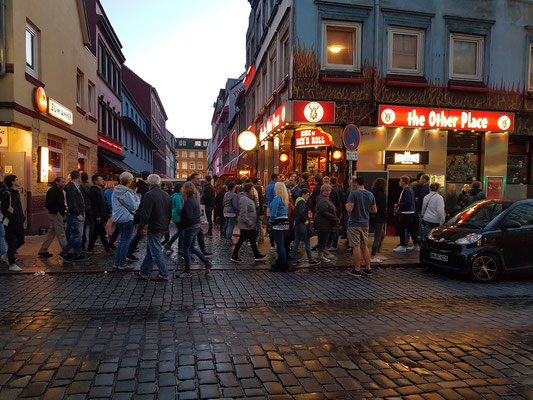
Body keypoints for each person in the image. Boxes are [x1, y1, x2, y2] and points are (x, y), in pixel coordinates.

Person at [136, 174, 171, 281]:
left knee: (155, 251)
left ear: (149, 183)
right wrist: (167, 225)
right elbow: (169, 212)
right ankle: (144, 272)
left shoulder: (149, 194)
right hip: (162, 225)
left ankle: (164, 274)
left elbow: (146, 213)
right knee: (151, 250)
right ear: (159, 183)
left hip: (154, 226)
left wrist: (141, 226)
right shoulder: (165, 194)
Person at [344, 177, 377, 277]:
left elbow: (350, 209)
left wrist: (346, 206)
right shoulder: (370, 194)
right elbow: (374, 210)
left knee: (356, 246)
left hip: (354, 223)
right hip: (365, 223)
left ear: (356, 183)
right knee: (364, 246)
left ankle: (357, 269)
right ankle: (368, 268)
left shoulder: (353, 194)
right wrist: (365, 210)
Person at [179, 182, 212, 278]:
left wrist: (183, 223)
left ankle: (187, 271)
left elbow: (189, 216)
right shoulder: (193, 199)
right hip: (196, 226)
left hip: (190, 227)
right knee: (192, 247)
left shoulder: (189, 201)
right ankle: (207, 263)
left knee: (186, 249)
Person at [111, 172, 140, 270]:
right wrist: (138, 199)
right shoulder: (127, 192)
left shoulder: (115, 190)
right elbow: (133, 206)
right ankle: (122, 263)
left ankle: (117, 262)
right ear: (130, 181)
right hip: (127, 218)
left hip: (118, 218)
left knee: (122, 240)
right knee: (125, 241)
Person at [231, 183, 266, 262]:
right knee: (243, 239)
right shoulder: (244, 199)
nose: (253, 191)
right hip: (246, 224)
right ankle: (234, 255)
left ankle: (257, 255)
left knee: (252, 239)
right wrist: (248, 221)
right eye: (252, 189)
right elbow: (243, 213)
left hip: (250, 223)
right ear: (248, 190)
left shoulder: (249, 198)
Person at [60, 170, 89, 262]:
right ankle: (65, 252)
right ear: (78, 177)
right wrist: (78, 214)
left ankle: (78, 253)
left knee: (77, 235)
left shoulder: (75, 186)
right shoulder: (72, 187)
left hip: (77, 213)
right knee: (77, 235)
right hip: (76, 214)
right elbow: (72, 202)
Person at [38, 177, 67, 258]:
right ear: (57, 182)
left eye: (64, 182)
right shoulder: (52, 191)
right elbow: (48, 204)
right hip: (55, 214)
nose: (64, 183)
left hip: (58, 213)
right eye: (62, 181)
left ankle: (43, 249)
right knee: (61, 233)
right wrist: (57, 212)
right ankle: (66, 250)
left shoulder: (60, 191)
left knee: (51, 233)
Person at [1, 175, 25, 271]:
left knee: (21, 241)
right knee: (12, 242)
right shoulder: (7, 194)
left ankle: (7, 255)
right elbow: (4, 209)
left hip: (19, 222)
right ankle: (12, 264)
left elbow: (18, 207)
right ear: (12, 182)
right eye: (17, 179)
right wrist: (13, 218)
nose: (19, 181)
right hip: (11, 223)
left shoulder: (16, 192)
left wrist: (22, 217)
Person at [291, 188, 320, 265]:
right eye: (307, 195)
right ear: (303, 194)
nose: (308, 196)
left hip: (296, 223)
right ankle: (311, 260)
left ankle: (294, 259)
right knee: (307, 242)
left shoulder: (297, 200)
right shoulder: (302, 202)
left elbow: (296, 212)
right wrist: (306, 221)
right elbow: (301, 212)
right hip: (301, 224)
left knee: (296, 241)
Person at [127, 171, 150, 261]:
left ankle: (130, 249)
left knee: (140, 233)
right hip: (141, 213)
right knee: (140, 233)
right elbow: (143, 202)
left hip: (138, 212)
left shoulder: (138, 186)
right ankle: (129, 251)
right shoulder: (144, 188)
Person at [87, 174, 112, 253]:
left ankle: (90, 247)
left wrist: (108, 211)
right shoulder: (94, 190)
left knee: (97, 232)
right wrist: (97, 215)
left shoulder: (101, 190)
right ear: (96, 181)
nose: (102, 181)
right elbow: (94, 204)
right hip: (99, 214)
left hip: (103, 213)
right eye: (100, 179)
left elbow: (104, 202)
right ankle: (107, 248)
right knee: (101, 232)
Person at [314, 184, 339, 263]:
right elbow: (324, 211)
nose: (328, 192)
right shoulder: (322, 200)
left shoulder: (326, 199)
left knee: (326, 239)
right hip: (324, 224)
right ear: (322, 191)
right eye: (326, 191)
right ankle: (321, 255)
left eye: (329, 190)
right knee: (323, 240)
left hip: (327, 223)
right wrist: (334, 218)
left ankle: (323, 253)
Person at [394, 175, 419, 253]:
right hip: (411, 212)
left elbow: (407, 202)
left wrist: (398, 205)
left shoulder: (406, 190)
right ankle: (416, 245)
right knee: (411, 229)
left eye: (400, 181)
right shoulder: (410, 190)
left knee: (401, 229)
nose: (399, 182)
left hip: (406, 213)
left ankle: (403, 246)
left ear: (404, 182)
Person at [269, 182, 290, 271]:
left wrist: (270, 221)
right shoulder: (285, 198)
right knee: (282, 244)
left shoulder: (277, 198)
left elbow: (273, 212)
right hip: (285, 223)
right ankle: (282, 261)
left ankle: (282, 263)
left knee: (280, 244)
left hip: (278, 223)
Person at [370, 178, 387, 263]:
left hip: (374, 217)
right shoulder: (382, 195)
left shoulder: (373, 194)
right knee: (378, 236)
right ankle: (373, 255)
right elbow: (383, 208)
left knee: (382, 234)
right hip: (380, 218)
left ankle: (377, 253)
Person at [165, 183, 184, 252]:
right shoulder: (177, 197)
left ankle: (169, 244)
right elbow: (179, 208)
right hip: (178, 217)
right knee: (181, 232)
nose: (183, 189)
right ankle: (180, 248)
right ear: (179, 189)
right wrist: (183, 215)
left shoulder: (175, 196)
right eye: (182, 188)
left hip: (176, 216)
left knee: (180, 232)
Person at [79, 172, 93, 250]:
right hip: (90, 207)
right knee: (92, 225)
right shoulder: (91, 186)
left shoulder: (79, 186)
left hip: (83, 207)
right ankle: (91, 242)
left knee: (83, 226)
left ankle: (83, 242)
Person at [328, 177, 343, 250]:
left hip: (334, 211)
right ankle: (333, 244)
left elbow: (333, 202)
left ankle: (333, 244)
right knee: (335, 227)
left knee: (334, 228)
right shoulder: (339, 189)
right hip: (338, 210)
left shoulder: (333, 191)